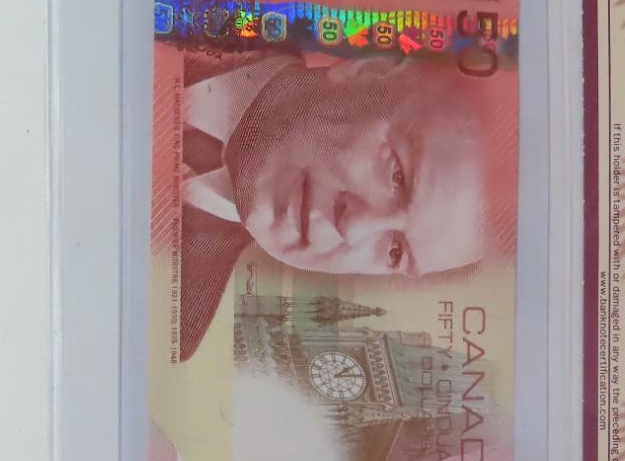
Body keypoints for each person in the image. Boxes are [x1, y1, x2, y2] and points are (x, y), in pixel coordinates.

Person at [176, 45, 512, 361]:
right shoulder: (188, 22)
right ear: (368, 69)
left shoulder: (177, 327)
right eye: (397, 176)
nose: (353, 228)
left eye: (395, 252)